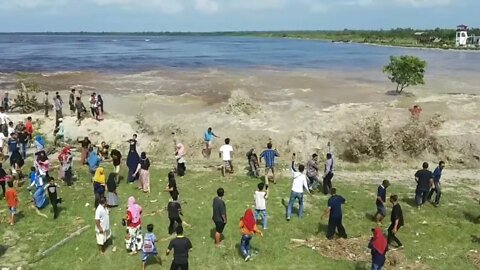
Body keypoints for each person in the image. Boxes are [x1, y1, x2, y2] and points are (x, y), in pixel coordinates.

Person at [286, 153, 310, 221]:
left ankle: (288, 216)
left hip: (293, 191)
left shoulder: (295, 173)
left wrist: (293, 159)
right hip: (300, 192)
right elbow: (305, 185)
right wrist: (308, 191)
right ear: (303, 170)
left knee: (290, 204)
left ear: (298, 169)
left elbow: (292, 167)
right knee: (301, 204)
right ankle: (300, 216)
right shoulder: (303, 176)